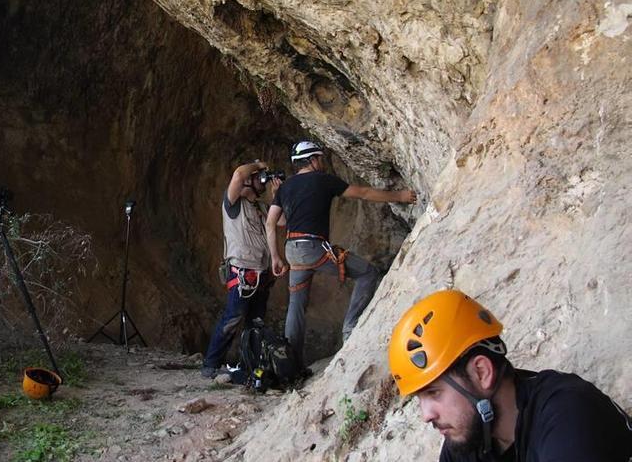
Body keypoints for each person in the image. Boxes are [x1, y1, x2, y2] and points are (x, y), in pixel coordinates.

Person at [388, 289, 632, 461]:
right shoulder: (466, 446)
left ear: (481, 372)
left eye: (433, 392)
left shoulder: (568, 413)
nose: (426, 415)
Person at [266, 140, 416, 364]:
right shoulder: (323, 180)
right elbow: (363, 193)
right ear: (314, 160)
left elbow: (274, 223)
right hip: (313, 248)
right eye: (321, 158)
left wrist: (276, 257)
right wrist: (400, 196)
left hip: (292, 251)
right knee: (368, 273)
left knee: (296, 305)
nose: (323, 163)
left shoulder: (285, 188)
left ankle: (290, 364)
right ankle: (350, 328)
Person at [201, 160, 283, 379]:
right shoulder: (233, 204)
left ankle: (250, 365)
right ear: (249, 180)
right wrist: (257, 164)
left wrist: (277, 195)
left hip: (261, 273)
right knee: (233, 318)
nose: (262, 181)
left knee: (256, 321)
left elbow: (281, 221)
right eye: (258, 178)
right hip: (242, 271)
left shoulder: (262, 207)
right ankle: (211, 364)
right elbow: (237, 175)